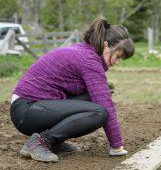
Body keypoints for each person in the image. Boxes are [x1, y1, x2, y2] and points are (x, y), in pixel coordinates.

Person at [10, 17, 135, 162]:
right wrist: (117, 146)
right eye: (118, 56)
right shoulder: (89, 60)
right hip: (26, 110)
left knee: (93, 97)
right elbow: (105, 105)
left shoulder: (86, 52)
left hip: (34, 106)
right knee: (99, 112)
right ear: (106, 46)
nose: (117, 62)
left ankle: (55, 143)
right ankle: (41, 142)